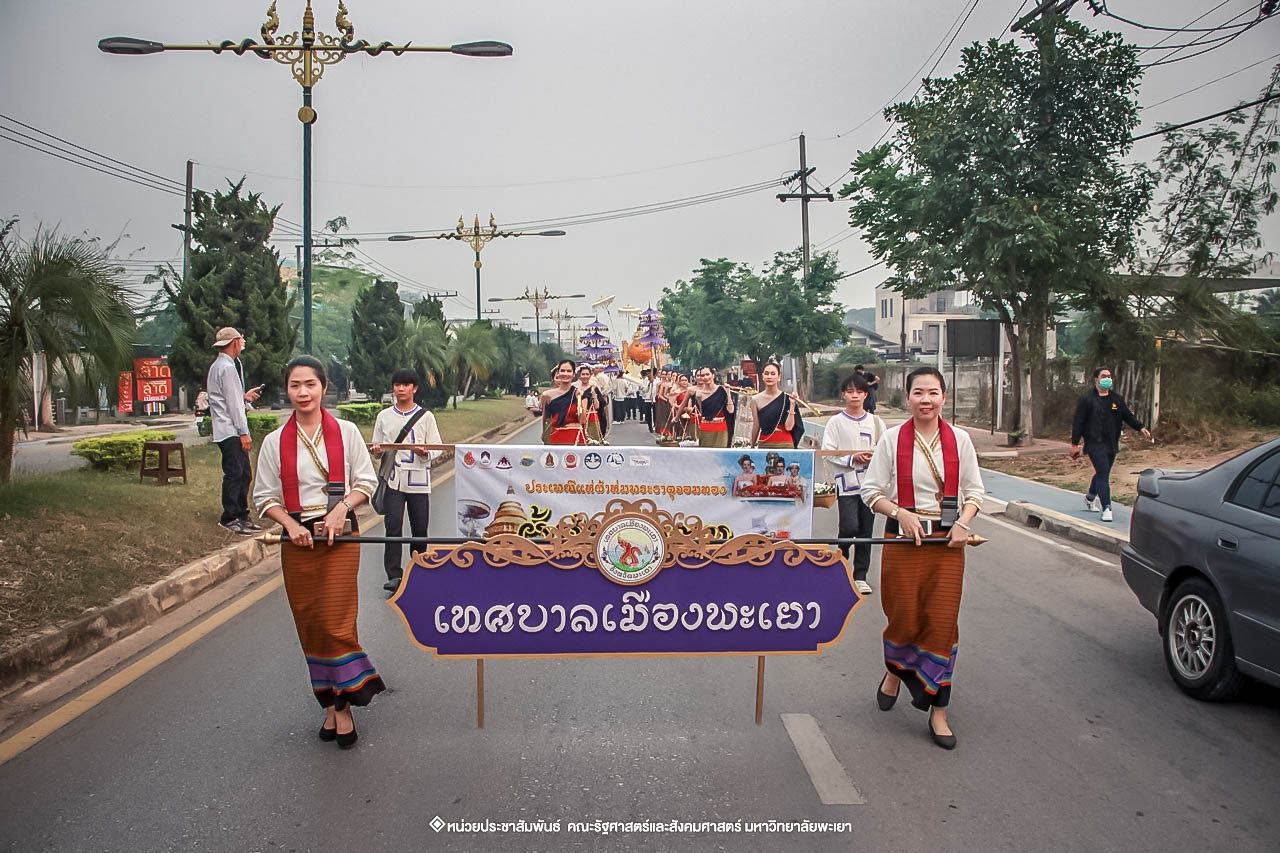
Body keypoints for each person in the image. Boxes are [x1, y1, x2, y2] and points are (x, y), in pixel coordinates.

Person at [253, 356, 382, 749]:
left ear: (324, 387)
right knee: (309, 623)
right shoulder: (275, 441)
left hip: (340, 537)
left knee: (335, 623)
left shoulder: (345, 432)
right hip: (297, 541)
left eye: (310, 384)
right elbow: (263, 496)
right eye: (295, 385)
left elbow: (366, 482)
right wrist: (290, 526)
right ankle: (328, 701)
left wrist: (341, 509)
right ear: (287, 390)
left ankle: (344, 705)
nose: (303, 392)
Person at [860, 367, 984, 750]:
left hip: (946, 546)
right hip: (903, 542)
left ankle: (939, 709)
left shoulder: (960, 440)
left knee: (943, 624)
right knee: (903, 617)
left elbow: (975, 492)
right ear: (907, 397)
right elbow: (871, 491)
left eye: (932, 392)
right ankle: (894, 672)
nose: (925, 400)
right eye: (918, 392)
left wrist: (963, 523)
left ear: (943, 397)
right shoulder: (893, 439)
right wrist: (900, 513)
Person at [371, 369, 442, 594]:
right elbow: (377, 449)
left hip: (419, 480)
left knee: (419, 527)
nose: (400, 389)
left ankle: (419, 569)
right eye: (397, 385)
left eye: (405, 385)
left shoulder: (426, 417)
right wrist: (377, 451)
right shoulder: (384, 416)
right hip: (393, 480)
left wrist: (425, 453)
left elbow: (436, 448)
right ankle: (394, 575)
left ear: (414, 388)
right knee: (393, 528)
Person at [821, 373, 887, 595]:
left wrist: (872, 459)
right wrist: (851, 459)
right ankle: (842, 554)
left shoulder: (876, 422)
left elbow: (886, 452)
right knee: (849, 526)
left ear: (865, 394)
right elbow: (829, 451)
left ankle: (860, 575)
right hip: (846, 482)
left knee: (866, 531)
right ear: (843, 395)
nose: (855, 395)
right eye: (850, 391)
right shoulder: (835, 423)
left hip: (870, 485)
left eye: (859, 391)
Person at [1070, 367, 1151, 522]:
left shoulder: (1116, 399)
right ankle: (1107, 507)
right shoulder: (1087, 400)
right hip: (1094, 443)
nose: (1107, 379)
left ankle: (1090, 497)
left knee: (1103, 473)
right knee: (1103, 472)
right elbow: (1078, 422)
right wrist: (1075, 443)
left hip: (1111, 443)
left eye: (1109, 376)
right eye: (1103, 376)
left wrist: (1141, 428)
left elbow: (1127, 416)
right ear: (1096, 379)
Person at [206, 327, 262, 535]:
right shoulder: (227, 368)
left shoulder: (223, 365)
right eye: (241, 339)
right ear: (234, 343)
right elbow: (232, 405)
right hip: (229, 429)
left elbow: (232, 398)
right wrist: (243, 431)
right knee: (235, 473)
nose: (243, 343)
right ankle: (230, 516)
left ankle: (242, 514)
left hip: (228, 427)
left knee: (244, 473)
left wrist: (245, 397)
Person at [750, 362, 804, 448]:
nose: (769, 377)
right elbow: (756, 425)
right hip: (764, 443)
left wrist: (792, 404)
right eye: (766, 374)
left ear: (779, 377)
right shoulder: (755, 400)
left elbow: (789, 427)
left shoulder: (787, 399)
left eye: (773, 374)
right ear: (763, 376)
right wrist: (752, 446)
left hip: (785, 444)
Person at [541, 360, 584, 445]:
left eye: (569, 371)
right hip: (556, 437)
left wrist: (579, 399)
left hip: (576, 439)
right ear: (558, 372)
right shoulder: (547, 395)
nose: (565, 374)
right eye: (562, 370)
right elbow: (545, 418)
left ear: (574, 374)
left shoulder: (579, 394)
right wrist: (545, 435)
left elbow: (583, 420)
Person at [692, 366, 734, 448]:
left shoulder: (722, 390)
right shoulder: (699, 394)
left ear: (713, 375)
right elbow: (702, 413)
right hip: (706, 428)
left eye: (707, 374)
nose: (705, 377)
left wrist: (728, 393)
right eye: (702, 375)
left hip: (721, 428)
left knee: (721, 455)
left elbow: (730, 410)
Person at [577, 365, 610, 443]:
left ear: (590, 375)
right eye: (583, 374)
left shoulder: (594, 388)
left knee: (593, 441)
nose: (585, 376)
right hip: (578, 418)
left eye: (587, 374)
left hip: (592, 418)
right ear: (579, 376)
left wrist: (594, 396)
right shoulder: (575, 388)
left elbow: (598, 406)